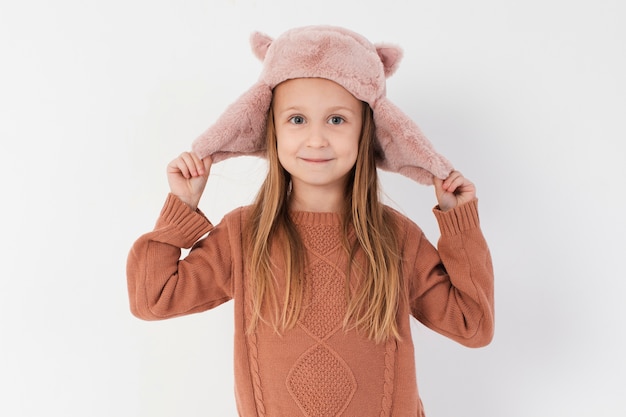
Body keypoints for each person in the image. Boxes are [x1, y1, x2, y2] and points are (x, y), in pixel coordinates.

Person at [127, 26, 494, 417]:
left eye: (336, 120)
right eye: (297, 120)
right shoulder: (243, 235)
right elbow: (153, 299)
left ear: (364, 132)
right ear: (272, 130)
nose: (316, 139)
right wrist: (182, 204)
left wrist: (459, 222)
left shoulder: (396, 238)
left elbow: (472, 324)